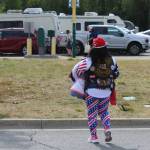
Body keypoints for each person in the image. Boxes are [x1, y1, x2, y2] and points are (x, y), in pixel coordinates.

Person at [69, 37, 119, 143]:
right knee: (104, 112)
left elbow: (74, 72)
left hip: (91, 92)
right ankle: (107, 128)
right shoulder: (112, 60)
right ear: (105, 47)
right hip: (106, 91)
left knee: (92, 114)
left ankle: (94, 137)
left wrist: (79, 81)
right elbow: (116, 74)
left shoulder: (87, 61)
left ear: (93, 48)